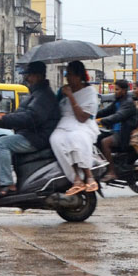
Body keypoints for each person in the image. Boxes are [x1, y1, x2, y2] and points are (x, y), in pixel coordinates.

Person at [0, 61, 60, 197]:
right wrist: (2, 118)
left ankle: (8, 184)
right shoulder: (35, 93)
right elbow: (20, 113)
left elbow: (31, 117)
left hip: (37, 137)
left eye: (29, 75)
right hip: (31, 134)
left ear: (38, 76)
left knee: (1, 144)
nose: (26, 78)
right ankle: (1, 180)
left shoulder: (43, 96)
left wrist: (4, 120)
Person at [49, 60, 100, 194]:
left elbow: (82, 117)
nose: (68, 78)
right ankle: (76, 179)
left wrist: (71, 97)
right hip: (63, 124)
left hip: (81, 124)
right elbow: (54, 108)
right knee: (56, 140)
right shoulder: (62, 91)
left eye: (71, 75)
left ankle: (89, 177)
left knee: (76, 138)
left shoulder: (89, 92)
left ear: (79, 76)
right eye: (67, 75)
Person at [96, 79, 138, 182]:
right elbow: (106, 111)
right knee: (96, 137)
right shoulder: (118, 101)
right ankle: (103, 166)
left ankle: (112, 172)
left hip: (123, 133)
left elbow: (118, 116)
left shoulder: (128, 103)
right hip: (116, 131)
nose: (115, 91)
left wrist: (100, 121)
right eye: (115, 89)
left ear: (124, 90)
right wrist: (90, 114)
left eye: (117, 89)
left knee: (105, 142)